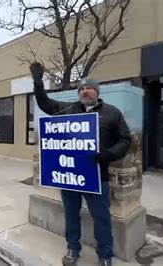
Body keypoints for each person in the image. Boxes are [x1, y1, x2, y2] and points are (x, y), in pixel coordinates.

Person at [29, 62, 131, 266]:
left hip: (96, 177)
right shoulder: (67, 109)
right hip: (69, 176)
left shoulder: (112, 113)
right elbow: (44, 104)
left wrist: (108, 155)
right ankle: (73, 249)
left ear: (97, 92)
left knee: (101, 218)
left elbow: (125, 140)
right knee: (71, 215)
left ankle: (104, 255)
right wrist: (38, 83)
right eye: (82, 88)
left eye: (89, 88)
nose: (85, 91)